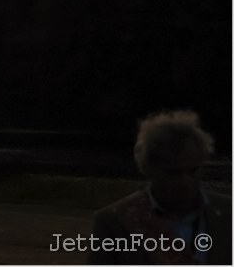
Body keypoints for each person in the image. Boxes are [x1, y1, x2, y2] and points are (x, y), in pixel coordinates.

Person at [89, 110, 232, 265]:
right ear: (147, 168)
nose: (185, 181)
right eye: (173, 172)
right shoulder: (113, 222)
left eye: (193, 170)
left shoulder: (228, 213)